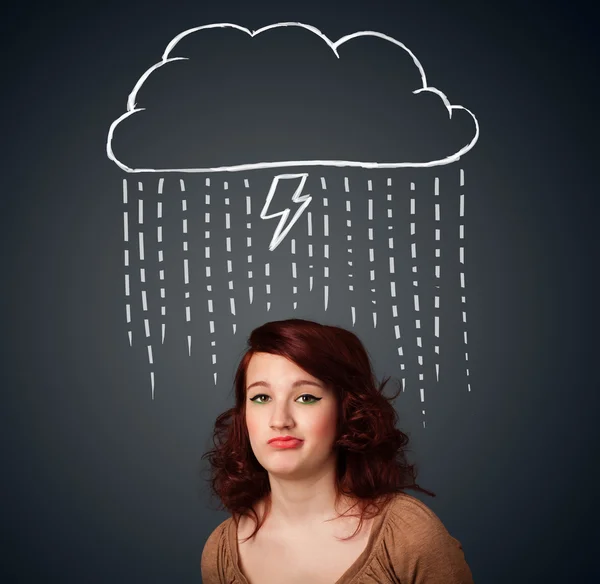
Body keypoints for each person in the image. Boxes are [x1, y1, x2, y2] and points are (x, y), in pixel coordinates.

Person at [200, 318, 474, 583]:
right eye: (261, 397)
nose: (280, 419)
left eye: (306, 397)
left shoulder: (410, 536)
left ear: (347, 412)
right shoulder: (220, 551)